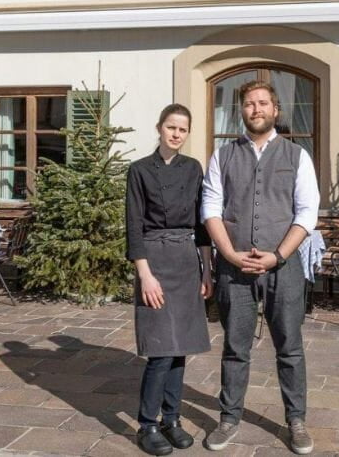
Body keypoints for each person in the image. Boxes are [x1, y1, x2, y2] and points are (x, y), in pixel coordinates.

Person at [201, 81, 320, 455]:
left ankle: (296, 420)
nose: (256, 109)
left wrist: (278, 255)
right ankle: (229, 418)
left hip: (282, 269)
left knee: (290, 348)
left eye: (263, 103)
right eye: (250, 104)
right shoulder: (222, 155)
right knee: (235, 348)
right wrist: (230, 255)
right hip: (233, 268)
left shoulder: (297, 156)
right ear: (242, 111)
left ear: (276, 109)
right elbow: (211, 208)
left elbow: (306, 213)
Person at [126, 103, 213, 456]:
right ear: (159, 127)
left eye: (183, 129)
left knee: (181, 350)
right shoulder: (138, 170)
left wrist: (207, 269)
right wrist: (144, 274)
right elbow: (133, 225)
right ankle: (147, 424)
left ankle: (171, 419)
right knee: (160, 349)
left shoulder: (193, 169)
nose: (176, 134)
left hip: (186, 261)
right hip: (154, 260)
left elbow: (201, 222)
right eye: (171, 127)